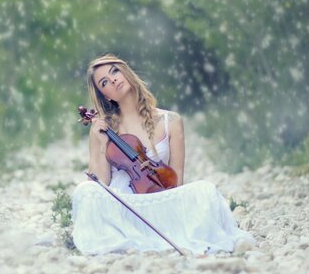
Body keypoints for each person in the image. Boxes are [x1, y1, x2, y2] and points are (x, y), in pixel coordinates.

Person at [71, 54, 254, 255]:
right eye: (104, 82)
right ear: (105, 95)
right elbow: (100, 182)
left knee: (205, 190)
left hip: (160, 201)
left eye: (115, 71)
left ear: (126, 72)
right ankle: (130, 236)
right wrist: (102, 145)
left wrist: (161, 179)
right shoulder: (103, 129)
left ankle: (151, 234)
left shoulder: (171, 121)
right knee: (85, 191)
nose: (113, 79)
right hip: (124, 205)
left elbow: (177, 181)